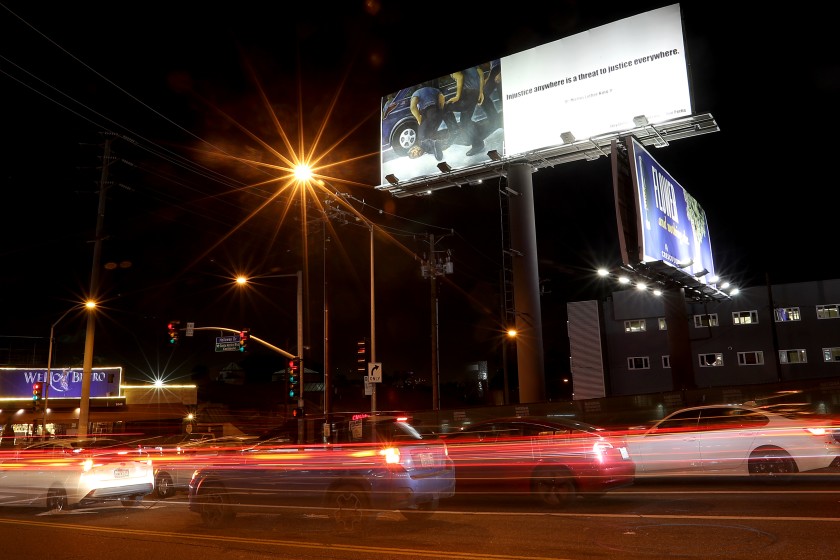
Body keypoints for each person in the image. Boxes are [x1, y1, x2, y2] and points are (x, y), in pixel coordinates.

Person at [445, 66, 486, 157]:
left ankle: (454, 130)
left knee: (445, 107)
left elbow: (459, 77)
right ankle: (478, 144)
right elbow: (481, 74)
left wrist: (457, 96)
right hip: (474, 94)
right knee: (465, 122)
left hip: (467, 94)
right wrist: (480, 92)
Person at [409, 86, 447, 161]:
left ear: (413, 149)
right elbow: (442, 98)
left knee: (424, 135)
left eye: (413, 154)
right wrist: (441, 109)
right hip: (434, 112)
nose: (416, 154)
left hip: (430, 112)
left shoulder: (416, 94)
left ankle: (435, 145)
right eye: (415, 156)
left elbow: (413, 107)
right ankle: (435, 145)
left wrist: (419, 118)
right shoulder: (434, 89)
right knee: (428, 134)